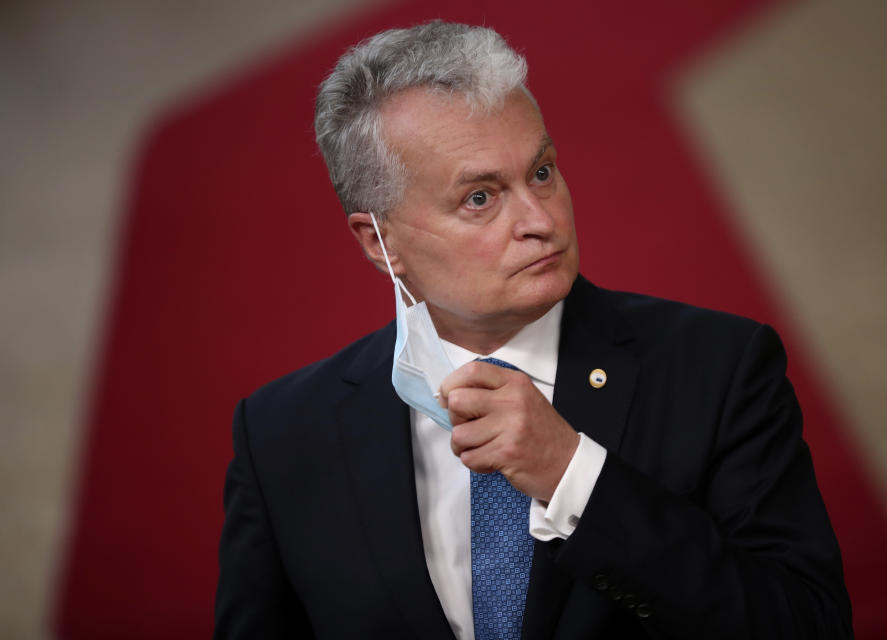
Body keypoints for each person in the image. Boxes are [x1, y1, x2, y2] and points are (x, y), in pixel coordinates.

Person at [214, 21, 852, 639]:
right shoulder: (280, 435)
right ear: (380, 243)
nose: (539, 220)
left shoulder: (720, 367)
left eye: (541, 172)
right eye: (480, 198)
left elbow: (807, 625)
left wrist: (573, 474)